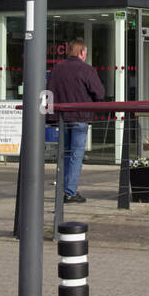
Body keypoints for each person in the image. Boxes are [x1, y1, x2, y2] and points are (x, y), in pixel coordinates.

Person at [46, 37, 104, 204]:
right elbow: (99, 93)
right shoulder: (86, 69)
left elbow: (49, 92)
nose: (85, 55)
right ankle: (70, 192)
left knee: (64, 155)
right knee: (76, 155)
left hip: (62, 118)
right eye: (85, 52)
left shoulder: (57, 69)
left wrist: (51, 117)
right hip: (80, 117)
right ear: (81, 52)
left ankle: (64, 190)